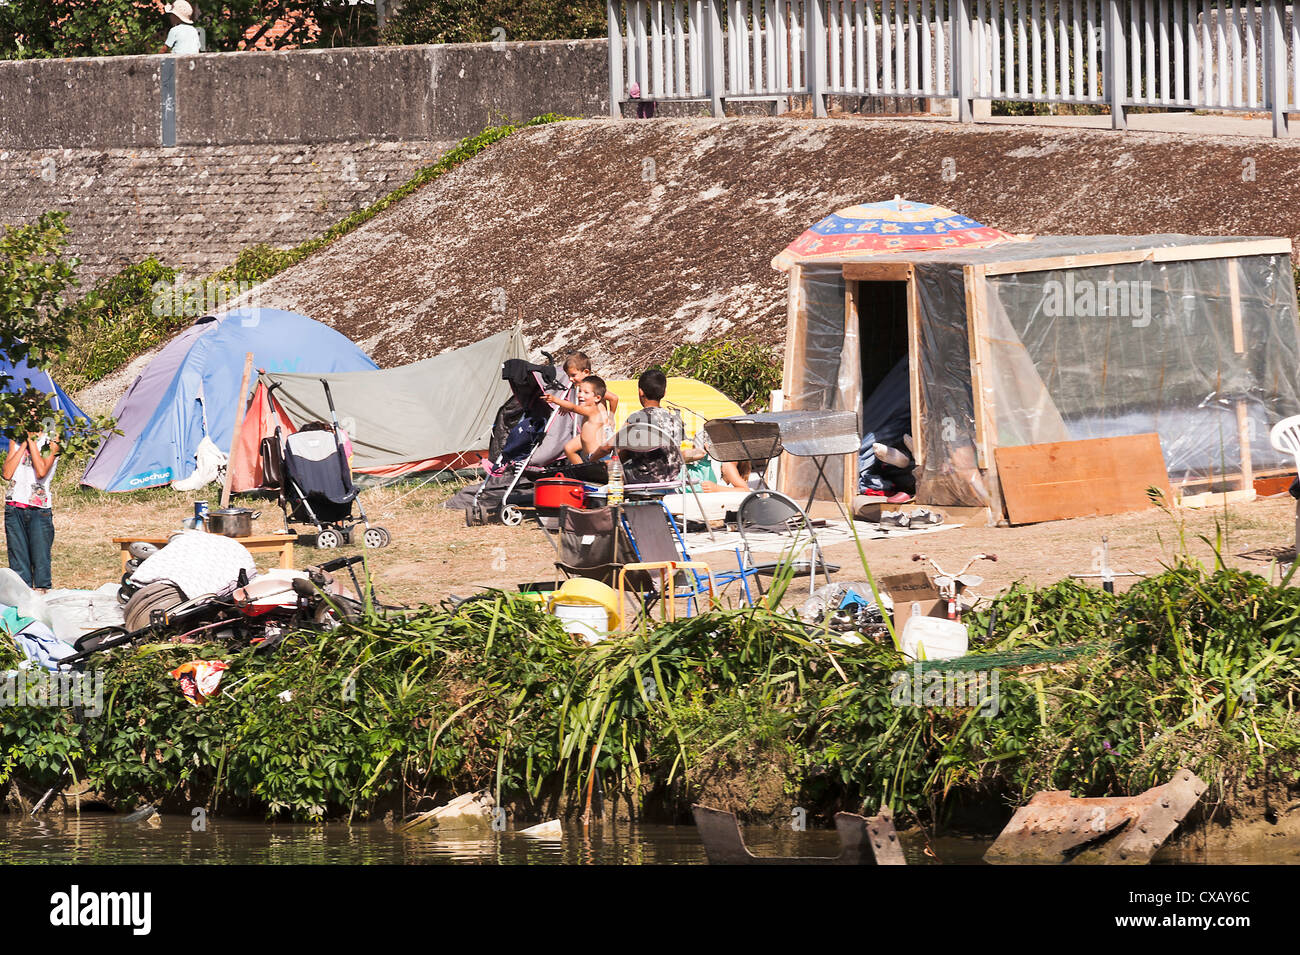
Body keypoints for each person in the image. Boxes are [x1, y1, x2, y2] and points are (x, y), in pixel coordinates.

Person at [3, 416, 60, 594]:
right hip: (14, 506)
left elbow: (41, 471)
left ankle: (42, 607)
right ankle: (23, 610)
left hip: (38, 509)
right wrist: (23, 445)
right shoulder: (16, 439)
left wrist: (32, 441)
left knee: (41, 565)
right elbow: (7, 473)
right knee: (18, 569)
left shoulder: (52, 440)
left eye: (33, 413)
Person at [547, 376, 616, 464]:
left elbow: (573, 407)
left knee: (605, 473)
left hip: (597, 457)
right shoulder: (589, 409)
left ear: (597, 398)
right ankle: (581, 469)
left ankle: (582, 470)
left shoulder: (593, 410)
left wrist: (555, 400)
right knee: (568, 448)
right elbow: (574, 408)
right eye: (579, 391)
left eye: (586, 393)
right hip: (591, 456)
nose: (580, 395)